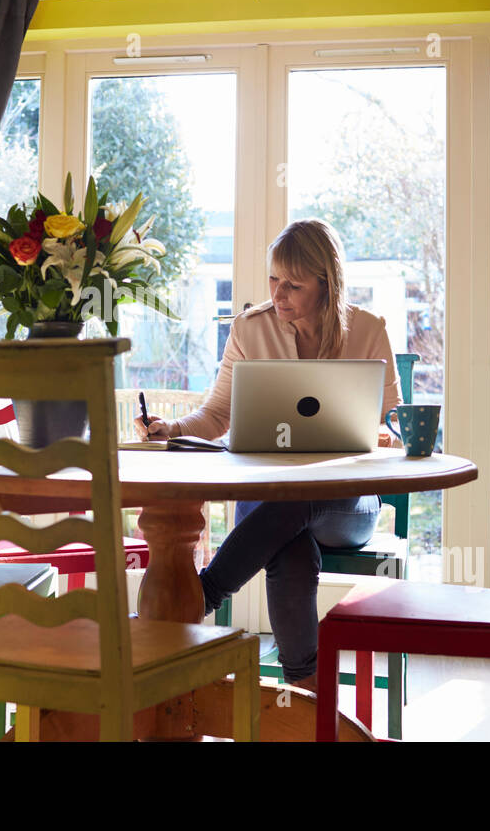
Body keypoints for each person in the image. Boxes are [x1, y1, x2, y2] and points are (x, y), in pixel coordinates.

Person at [137, 218, 402, 693]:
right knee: (290, 548)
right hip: (269, 506)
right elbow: (217, 414)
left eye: (293, 285)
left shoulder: (367, 329)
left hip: (347, 505)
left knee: (300, 499)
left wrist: (383, 432)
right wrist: (170, 429)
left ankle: (207, 591)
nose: (278, 295)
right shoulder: (249, 329)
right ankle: (308, 697)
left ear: (327, 283)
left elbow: (394, 423)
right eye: (274, 280)